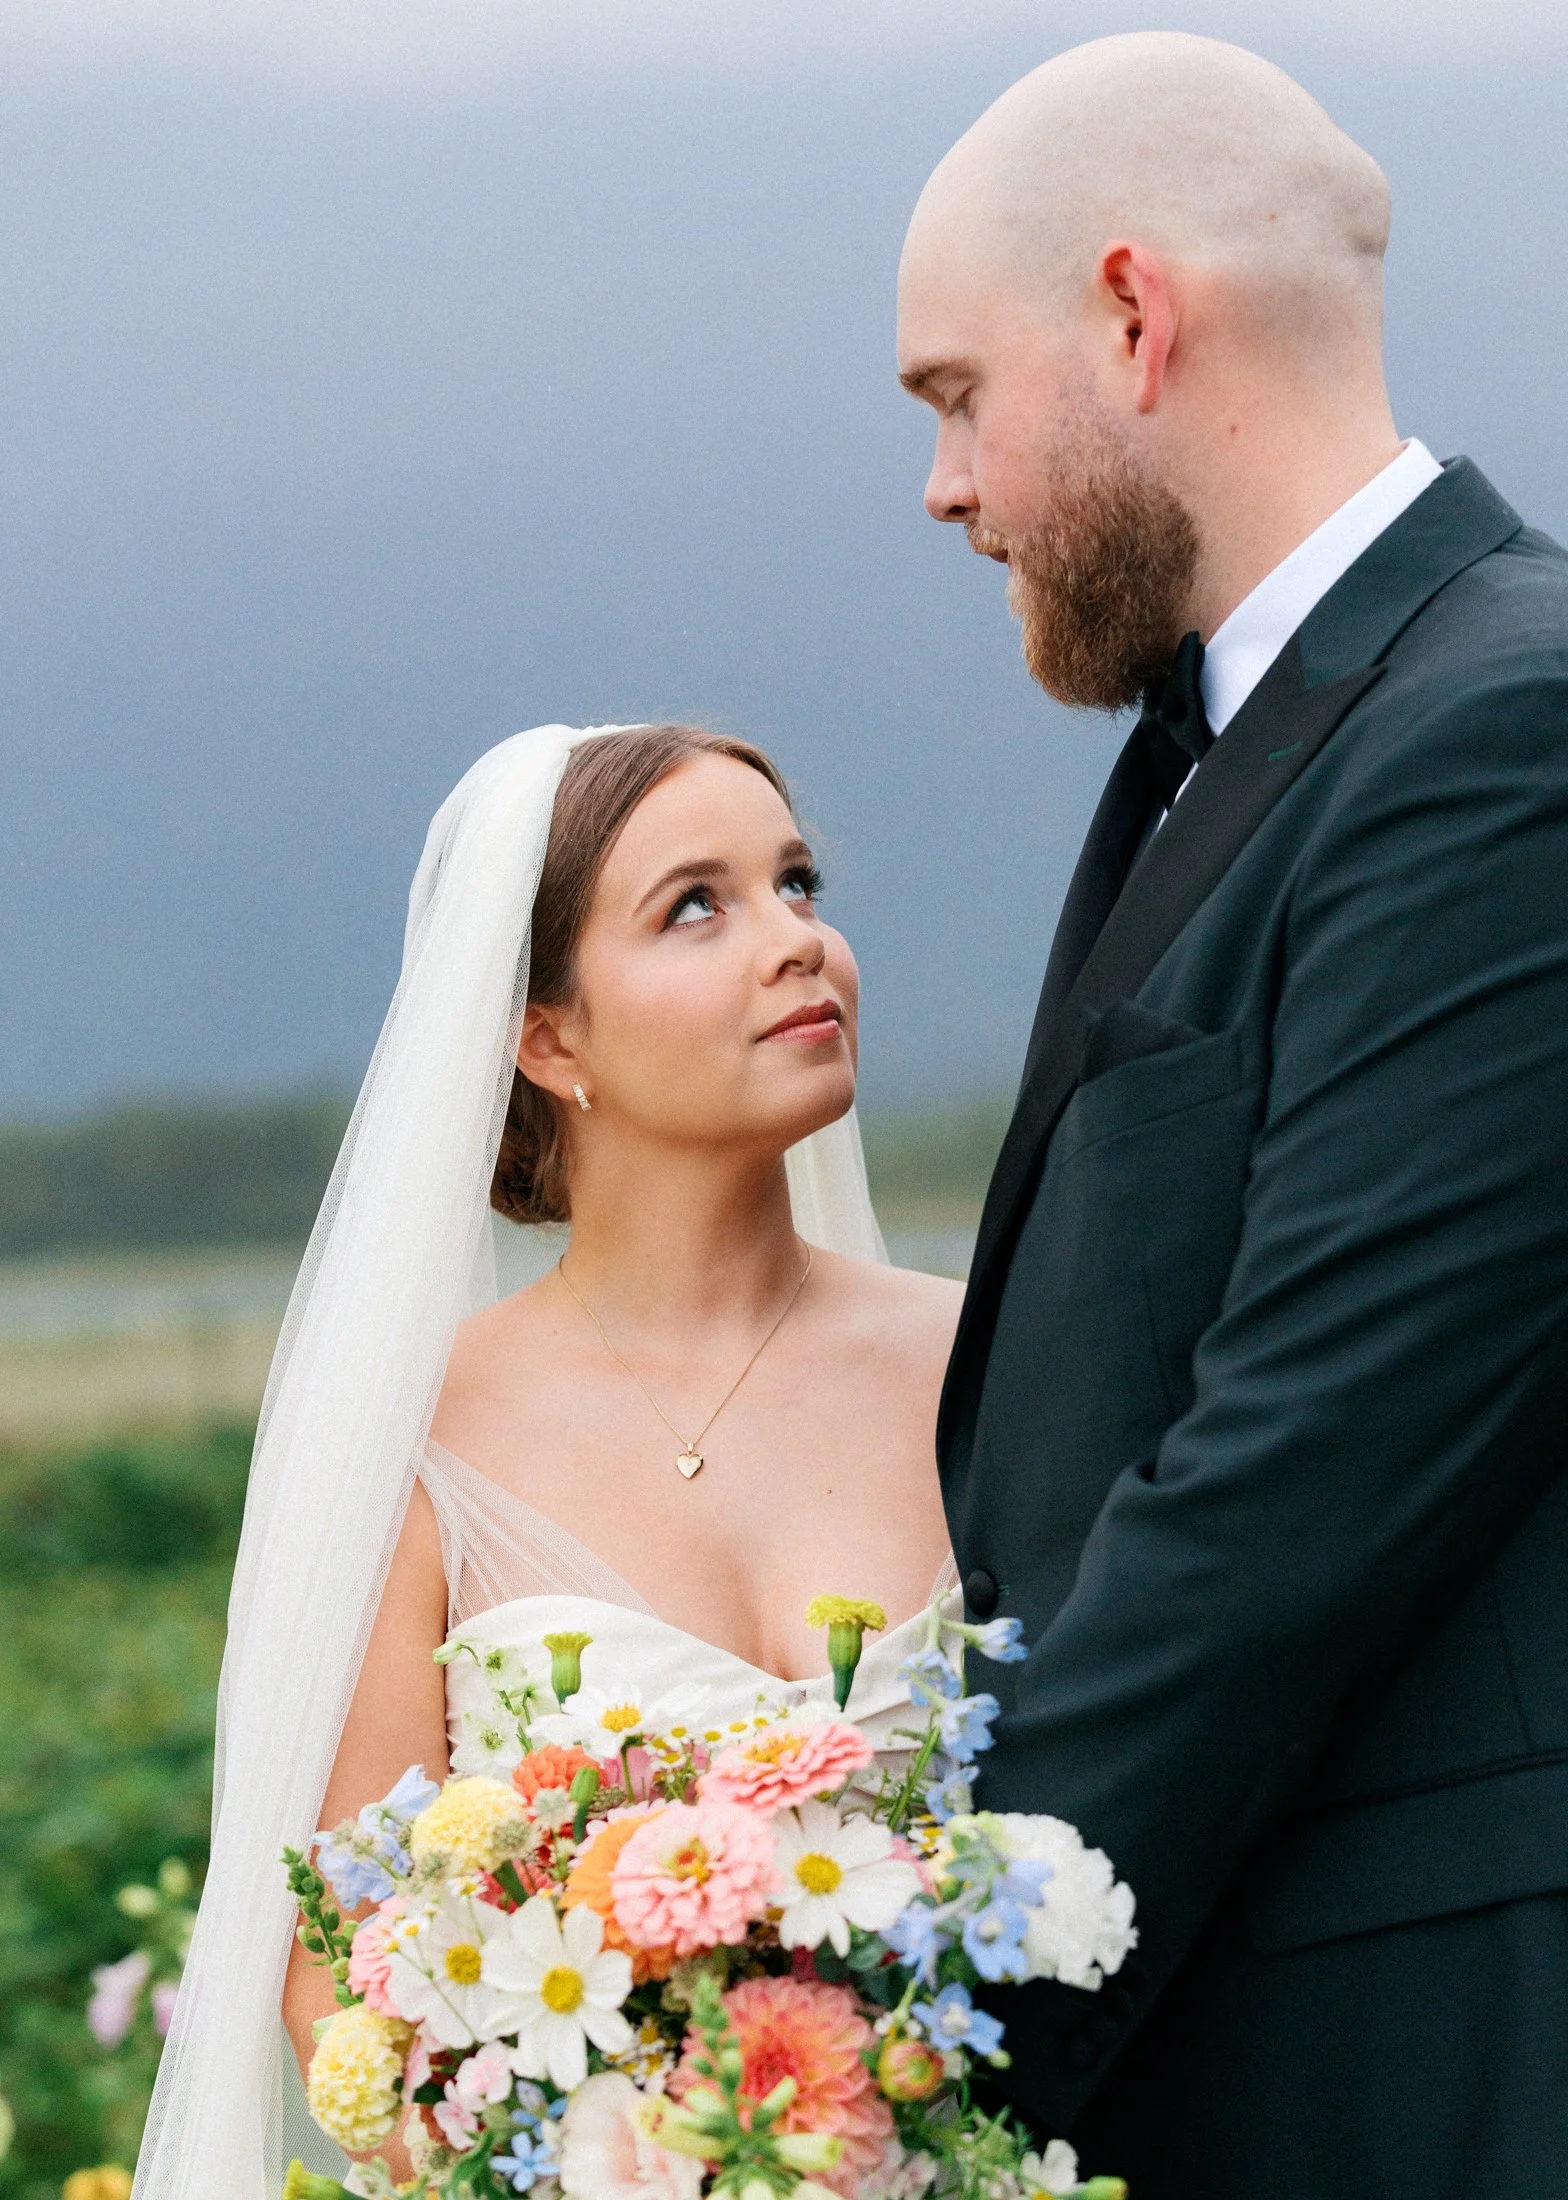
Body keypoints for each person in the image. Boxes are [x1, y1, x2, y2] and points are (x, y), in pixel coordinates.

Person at [898, 31, 1568, 2198]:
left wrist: (896, 2012)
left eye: (952, 395)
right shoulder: (1254, 732)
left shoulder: (1501, 731)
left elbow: (1307, 1458)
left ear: (1128, 313)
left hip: (1422, 2048)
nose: (944, 486)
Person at [134, 724, 960, 2199]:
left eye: (797, 884)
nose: (796, 943)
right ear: (547, 1037)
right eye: (695, 904)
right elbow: (340, 1989)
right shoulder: (412, 1442)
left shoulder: (991, 1366)